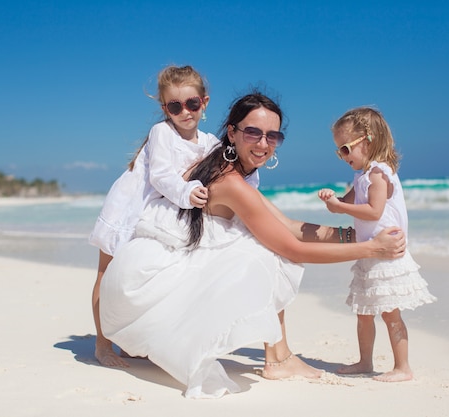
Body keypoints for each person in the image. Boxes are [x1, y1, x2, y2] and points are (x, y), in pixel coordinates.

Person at [98, 92, 407, 398]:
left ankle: (273, 356)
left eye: (272, 136)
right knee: (266, 253)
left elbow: (287, 225)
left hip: (136, 288)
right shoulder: (231, 182)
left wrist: (351, 235)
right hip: (141, 290)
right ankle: (279, 359)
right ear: (232, 133)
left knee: (258, 244)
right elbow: (291, 247)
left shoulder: (223, 166)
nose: (263, 144)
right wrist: (372, 249)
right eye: (253, 133)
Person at [88, 65, 256, 367]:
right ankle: (102, 344)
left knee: (135, 273)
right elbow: (162, 176)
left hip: (155, 211)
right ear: (165, 108)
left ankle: (126, 336)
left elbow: (233, 171)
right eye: (175, 106)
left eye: (192, 104)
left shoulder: (208, 142)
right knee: (107, 272)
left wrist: (249, 195)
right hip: (129, 205)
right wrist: (187, 193)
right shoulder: (161, 132)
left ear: (204, 103)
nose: (185, 112)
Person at [318, 106, 437, 382]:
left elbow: (374, 211)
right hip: (370, 254)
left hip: (386, 256)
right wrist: (331, 200)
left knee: (390, 314)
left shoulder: (378, 174)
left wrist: (342, 207)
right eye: (339, 151)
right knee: (364, 312)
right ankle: (364, 361)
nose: (342, 156)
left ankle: (403, 367)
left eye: (345, 149)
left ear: (367, 141)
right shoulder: (361, 176)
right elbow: (343, 206)